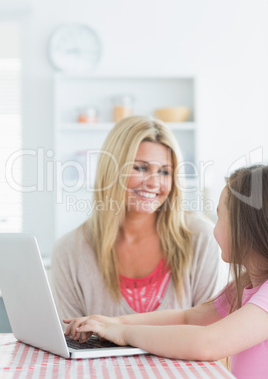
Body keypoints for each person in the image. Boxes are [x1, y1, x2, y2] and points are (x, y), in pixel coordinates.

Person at [64, 165, 268, 379]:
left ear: (245, 228)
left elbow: (208, 342)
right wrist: (114, 323)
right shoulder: (245, 285)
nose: (213, 228)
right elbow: (187, 318)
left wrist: (125, 333)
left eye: (220, 217)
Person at [52, 116, 221, 324]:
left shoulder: (201, 238)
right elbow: (71, 341)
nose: (153, 183)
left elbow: (210, 334)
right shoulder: (69, 251)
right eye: (140, 168)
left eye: (164, 172)